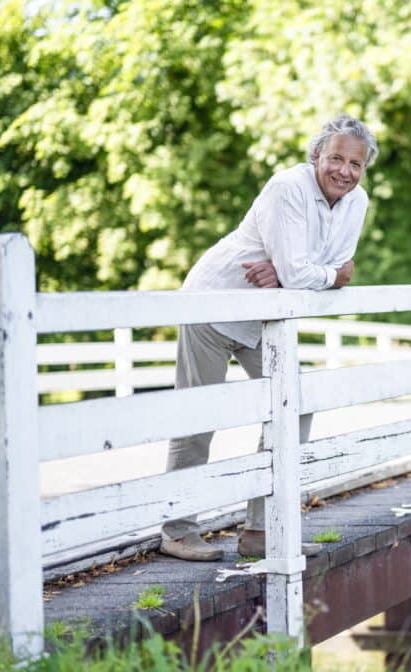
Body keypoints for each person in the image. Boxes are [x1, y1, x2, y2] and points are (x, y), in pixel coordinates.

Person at [159, 115, 378, 561]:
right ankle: (177, 531)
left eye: (356, 164)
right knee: (199, 418)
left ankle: (261, 532)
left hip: (264, 315)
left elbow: (319, 268)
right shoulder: (288, 187)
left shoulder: (357, 203)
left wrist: (295, 273)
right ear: (316, 156)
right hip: (215, 304)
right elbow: (326, 272)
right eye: (336, 157)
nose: (345, 171)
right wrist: (313, 273)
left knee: (293, 406)